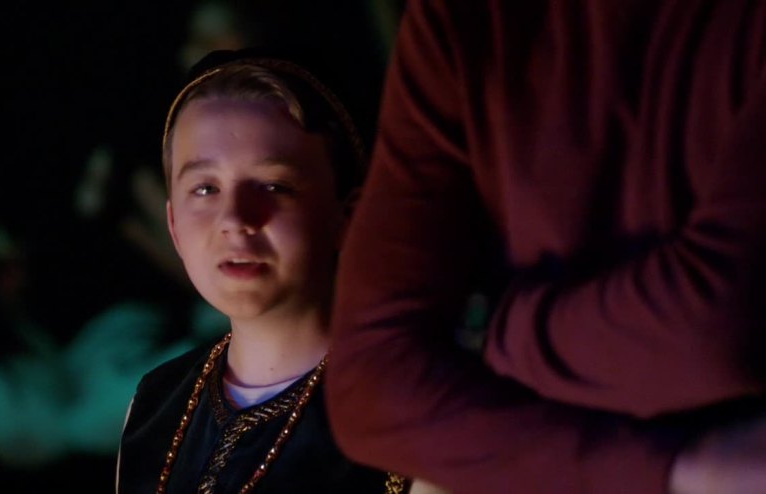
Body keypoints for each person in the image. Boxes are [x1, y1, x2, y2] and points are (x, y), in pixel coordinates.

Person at [326, 0, 766, 492]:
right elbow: (369, 386)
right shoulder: (460, 21)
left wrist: (490, 336)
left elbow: (714, 332)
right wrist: (683, 468)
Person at [116, 49, 414, 493]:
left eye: (275, 186)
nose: (235, 219)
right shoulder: (154, 405)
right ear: (174, 224)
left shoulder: (406, 410)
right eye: (205, 189)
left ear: (347, 217)